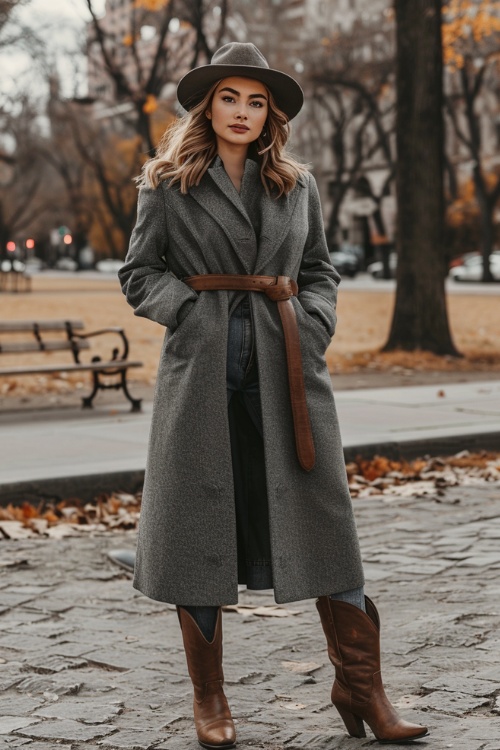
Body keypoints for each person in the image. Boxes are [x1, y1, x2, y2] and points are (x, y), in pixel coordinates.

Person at [118, 42, 428, 749]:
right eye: (231, 97)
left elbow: (319, 271)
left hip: (286, 365)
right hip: (201, 376)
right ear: (209, 105)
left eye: (257, 102)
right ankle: (211, 699)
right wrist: (194, 315)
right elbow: (139, 274)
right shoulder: (166, 184)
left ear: (270, 117)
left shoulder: (297, 184)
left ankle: (362, 688)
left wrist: (311, 324)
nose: (243, 112)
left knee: (325, 522)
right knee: (198, 530)